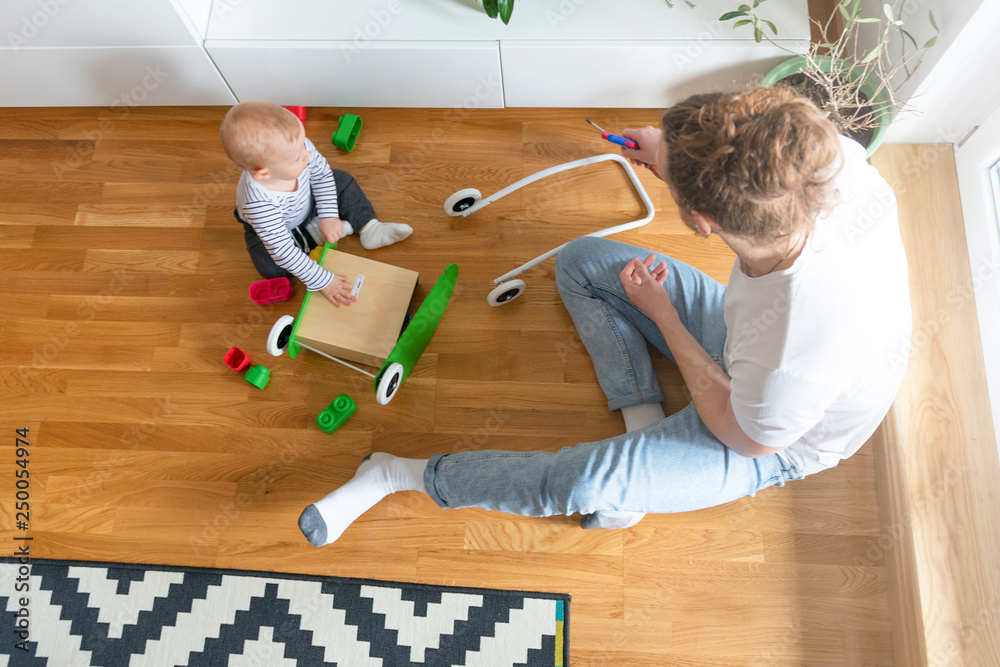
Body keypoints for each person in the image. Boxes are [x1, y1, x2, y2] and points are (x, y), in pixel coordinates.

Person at [297, 87, 912, 546]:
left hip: (770, 435)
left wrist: (664, 317)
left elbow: (739, 431)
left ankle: (397, 475)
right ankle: (642, 429)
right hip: (752, 345)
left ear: (703, 224)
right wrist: (669, 151)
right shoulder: (824, 163)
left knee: (584, 483)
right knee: (585, 262)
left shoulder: (794, 354)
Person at [220, 101, 412, 306]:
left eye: (304, 144)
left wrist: (329, 215)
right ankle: (312, 235)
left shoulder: (298, 148)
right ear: (265, 173)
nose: (307, 155)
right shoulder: (258, 204)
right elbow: (283, 251)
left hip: (306, 201)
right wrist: (324, 281)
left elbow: (322, 176)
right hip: (278, 228)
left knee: (341, 179)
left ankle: (368, 227)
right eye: (297, 158)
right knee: (272, 268)